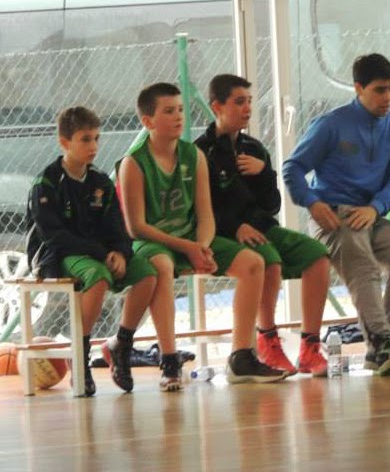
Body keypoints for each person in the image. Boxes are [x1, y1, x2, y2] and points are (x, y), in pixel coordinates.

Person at [118, 82, 286, 388]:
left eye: (181, 109)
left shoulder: (193, 155)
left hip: (191, 239)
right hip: (152, 241)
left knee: (253, 263)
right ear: (148, 121)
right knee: (162, 267)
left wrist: (203, 246)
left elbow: (206, 214)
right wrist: (188, 247)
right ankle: (170, 360)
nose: (178, 116)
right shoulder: (133, 163)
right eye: (169, 111)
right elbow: (136, 227)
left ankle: (241, 356)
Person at [283, 54, 390, 376]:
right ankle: (383, 339)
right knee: (363, 263)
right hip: (334, 216)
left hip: (371, 215)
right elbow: (293, 168)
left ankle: (385, 347)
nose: (388, 97)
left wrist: (375, 208)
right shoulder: (331, 124)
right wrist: (312, 203)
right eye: (379, 90)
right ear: (358, 88)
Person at [195, 73, 331, 377]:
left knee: (317, 255)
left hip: (262, 227)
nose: (247, 108)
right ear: (217, 106)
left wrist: (264, 173)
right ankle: (267, 340)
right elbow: (203, 209)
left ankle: (309, 348)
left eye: (249, 101)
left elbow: (272, 206)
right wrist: (235, 227)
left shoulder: (254, 149)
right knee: (268, 258)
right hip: (223, 232)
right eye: (238, 102)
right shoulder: (201, 152)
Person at [26, 107, 159, 396]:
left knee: (148, 274)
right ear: (64, 142)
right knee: (98, 277)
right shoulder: (47, 182)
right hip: (58, 255)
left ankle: (121, 343)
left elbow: (117, 227)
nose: (94, 146)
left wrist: (120, 252)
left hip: (99, 253)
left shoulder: (100, 183)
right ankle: (80, 355)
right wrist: (101, 253)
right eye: (85, 139)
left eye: (97, 138)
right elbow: (53, 235)